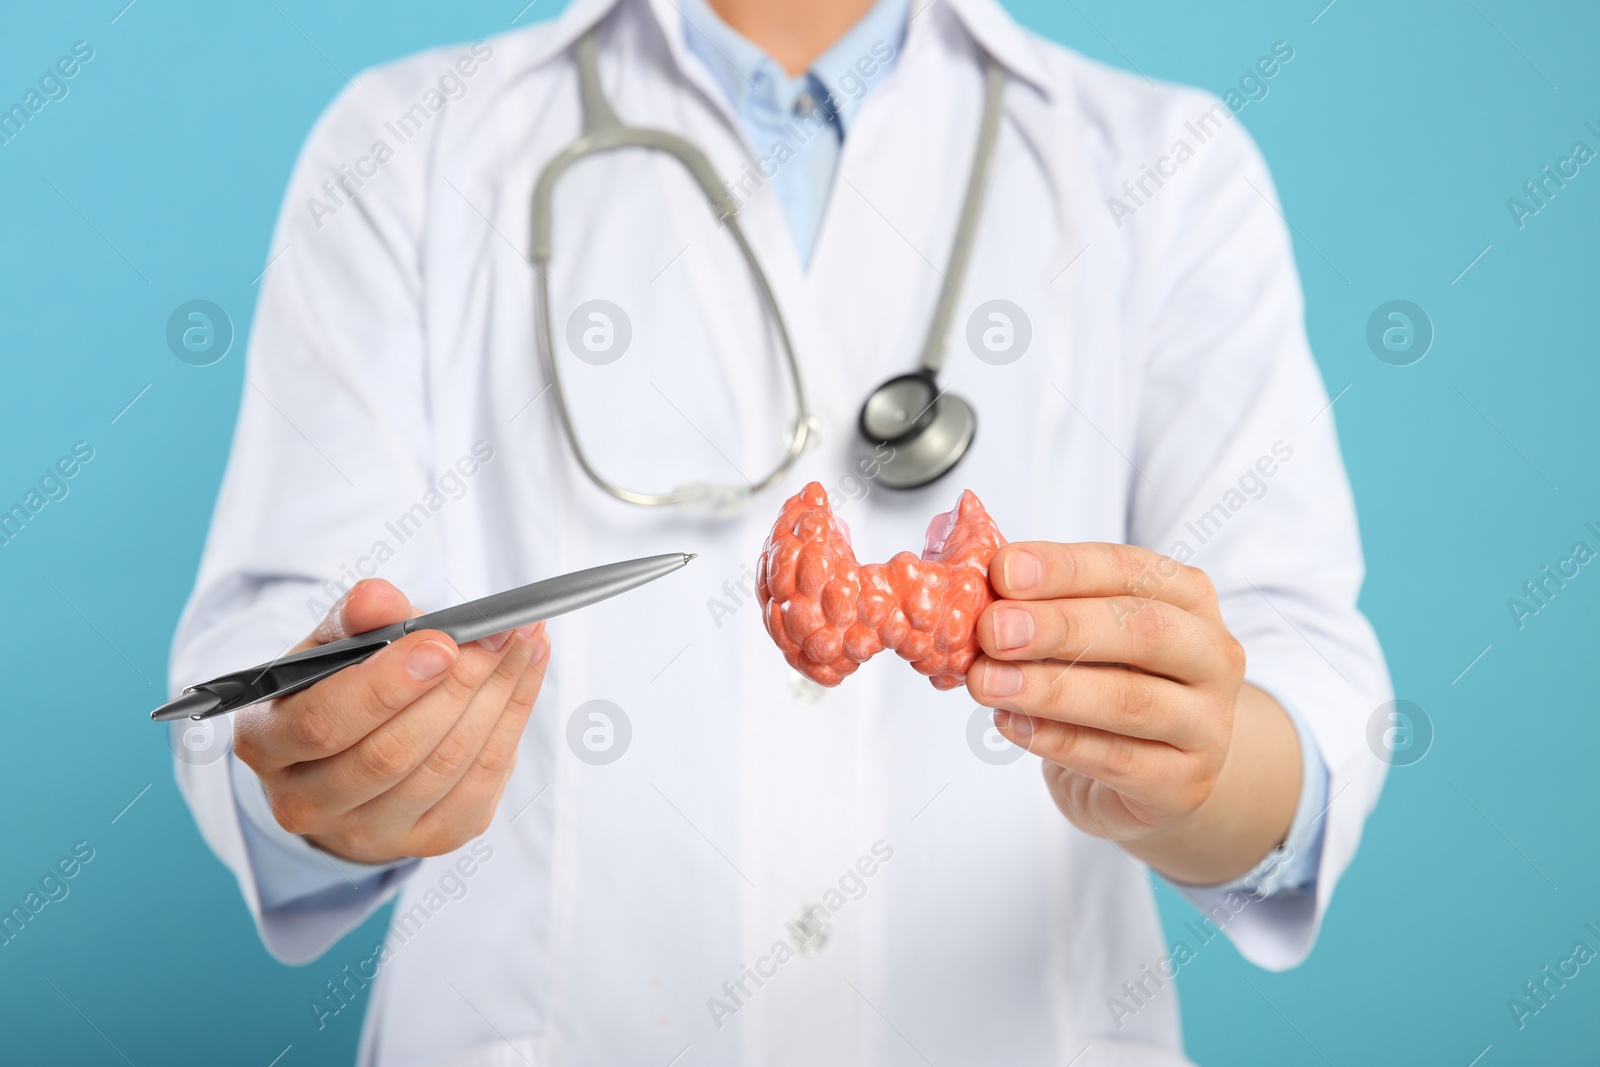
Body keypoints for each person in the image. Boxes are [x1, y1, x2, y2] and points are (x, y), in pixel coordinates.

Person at [169, 0, 1391, 1062]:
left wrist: (1196, 755)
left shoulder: (1163, 166)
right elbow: (276, 689)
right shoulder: (407, 146)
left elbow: (1305, 693)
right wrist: (338, 762)